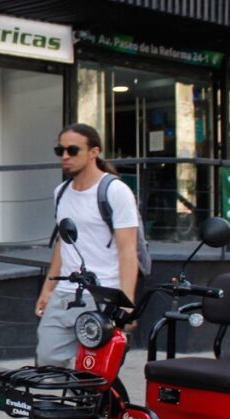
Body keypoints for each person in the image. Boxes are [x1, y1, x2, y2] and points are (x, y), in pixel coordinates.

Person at [35, 123, 141, 367]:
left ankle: (95, 406)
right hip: (65, 293)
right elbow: (64, 243)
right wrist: (48, 289)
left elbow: (128, 251)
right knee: (47, 361)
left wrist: (126, 304)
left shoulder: (115, 191)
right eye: (59, 150)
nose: (65, 156)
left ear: (94, 152)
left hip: (102, 295)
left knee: (94, 371)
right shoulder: (61, 192)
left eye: (73, 150)